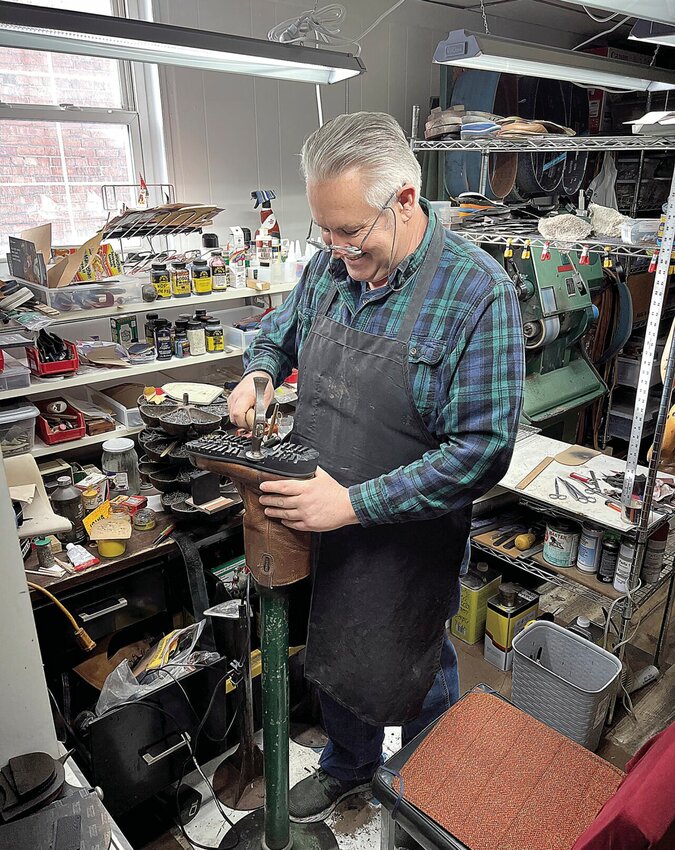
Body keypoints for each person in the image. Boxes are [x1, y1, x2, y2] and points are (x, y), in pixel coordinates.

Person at [227, 111, 525, 823]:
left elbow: (482, 450)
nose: (335, 249)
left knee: (413, 666)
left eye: (349, 231)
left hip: (405, 536)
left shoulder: (478, 296)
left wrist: (355, 505)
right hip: (317, 509)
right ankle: (349, 764)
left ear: (403, 198)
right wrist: (262, 374)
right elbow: (277, 336)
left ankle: (425, 795)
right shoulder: (331, 266)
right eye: (324, 231)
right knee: (333, 652)